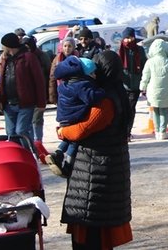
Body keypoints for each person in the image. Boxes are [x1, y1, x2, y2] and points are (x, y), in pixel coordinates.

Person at [60, 51, 133, 249]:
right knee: (100, 233)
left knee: (92, 234)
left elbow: (81, 130)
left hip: (95, 172)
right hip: (108, 169)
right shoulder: (119, 93)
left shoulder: (105, 99)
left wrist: (62, 131)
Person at [45, 56, 105, 177]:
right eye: (92, 73)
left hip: (63, 117)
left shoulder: (65, 83)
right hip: (74, 117)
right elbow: (91, 98)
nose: (94, 76)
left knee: (68, 139)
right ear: (85, 74)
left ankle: (58, 153)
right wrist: (102, 92)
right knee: (75, 141)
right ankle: (68, 165)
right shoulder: (81, 85)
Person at [0, 32, 46, 139]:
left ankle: (28, 149)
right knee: (11, 133)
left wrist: (41, 103)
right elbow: (2, 80)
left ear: (9, 46)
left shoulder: (28, 58)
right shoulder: (5, 59)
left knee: (21, 131)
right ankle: (15, 150)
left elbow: (39, 81)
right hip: (8, 103)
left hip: (25, 103)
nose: (2, 48)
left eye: (3, 45)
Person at [140, 38, 168, 140]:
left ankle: (157, 131)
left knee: (155, 111)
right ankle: (163, 132)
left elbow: (145, 76)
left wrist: (142, 86)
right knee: (164, 111)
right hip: (166, 90)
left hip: (152, 91)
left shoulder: (149, 62)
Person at [118, 27, 147, 138]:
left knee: (130, 109)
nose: (129, 40)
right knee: (122, 109)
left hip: (135, 85)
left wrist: (144, 81)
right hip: (123, 85)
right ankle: (122, 131)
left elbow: (144, 65)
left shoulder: (139, 50)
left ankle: (127, 132)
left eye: (131, 37)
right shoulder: (120, 51)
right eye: (126, 38)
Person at [49, 37, 78, 106]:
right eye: (65, 46)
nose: (67, 48)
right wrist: (53, 96)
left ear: (73, 47)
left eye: (69, 46)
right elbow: (52, 78)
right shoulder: (57, 59)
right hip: (61, 91)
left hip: (74, 90)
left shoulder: (77, 58)